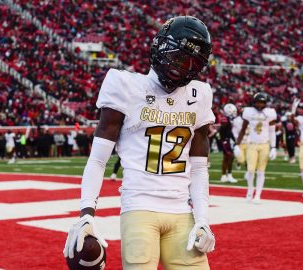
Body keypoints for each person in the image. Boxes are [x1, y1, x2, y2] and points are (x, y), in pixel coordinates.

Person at [64, 16, 215, 269]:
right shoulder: (125, 84)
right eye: (178, 56)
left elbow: (199, 167)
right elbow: (99, 159)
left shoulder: (199, 94)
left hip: (181, 210)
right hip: (139, 206)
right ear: (160, 47)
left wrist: (202, 218)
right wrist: (86, 213)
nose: (181, 67)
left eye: (191, 62)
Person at [235, 92, 277, 203]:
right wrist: (237, 144)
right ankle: (250, 191)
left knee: (261, 171)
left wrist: (273, 147)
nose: (260, 105)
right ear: (254, 102)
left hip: (265, 144)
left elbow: (272, 131)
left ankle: (258, 194)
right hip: (252, 144)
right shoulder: (248, 112)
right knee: (250, 170)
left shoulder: (270, 113)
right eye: (258, 102)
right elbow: (243, 130)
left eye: (262, 102)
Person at [218, 103, 238, 183]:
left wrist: (233, 139)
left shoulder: (228, 119)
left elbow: (229, 131)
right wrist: (223, 140)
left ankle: (227, 175)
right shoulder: (225, 119)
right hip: (225, 141)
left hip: (227, 140)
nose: (234, 113)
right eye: (233, 112)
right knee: (228, 157)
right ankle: (225, 175)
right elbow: (222, 130)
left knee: (229, 157)